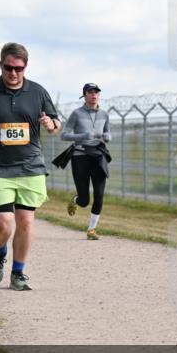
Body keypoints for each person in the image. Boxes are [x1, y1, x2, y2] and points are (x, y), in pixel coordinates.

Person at [0, 42, 61, 291]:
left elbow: (56, 122)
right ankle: (0, 251)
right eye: (8, 67)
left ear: (25, 67)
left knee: (25, 221)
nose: (13, 73)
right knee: (2, 222)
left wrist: (51, 124)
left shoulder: (38, 92)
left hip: (31, 166)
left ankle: (18, 273)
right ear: (0, 65)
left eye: (18, 68)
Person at [61, 83, 112, 240]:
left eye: (96, 92)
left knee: (99, 194)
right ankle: (76, 199)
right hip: (80, 156)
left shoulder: (104, 114)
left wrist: (107, 136)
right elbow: (64, 135)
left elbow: (107, 132)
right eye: (90, 92)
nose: (94, 95)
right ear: (84, 95)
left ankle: (92, 229)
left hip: (98, 156)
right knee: (84, 201)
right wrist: (83, 136)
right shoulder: (76, 114)